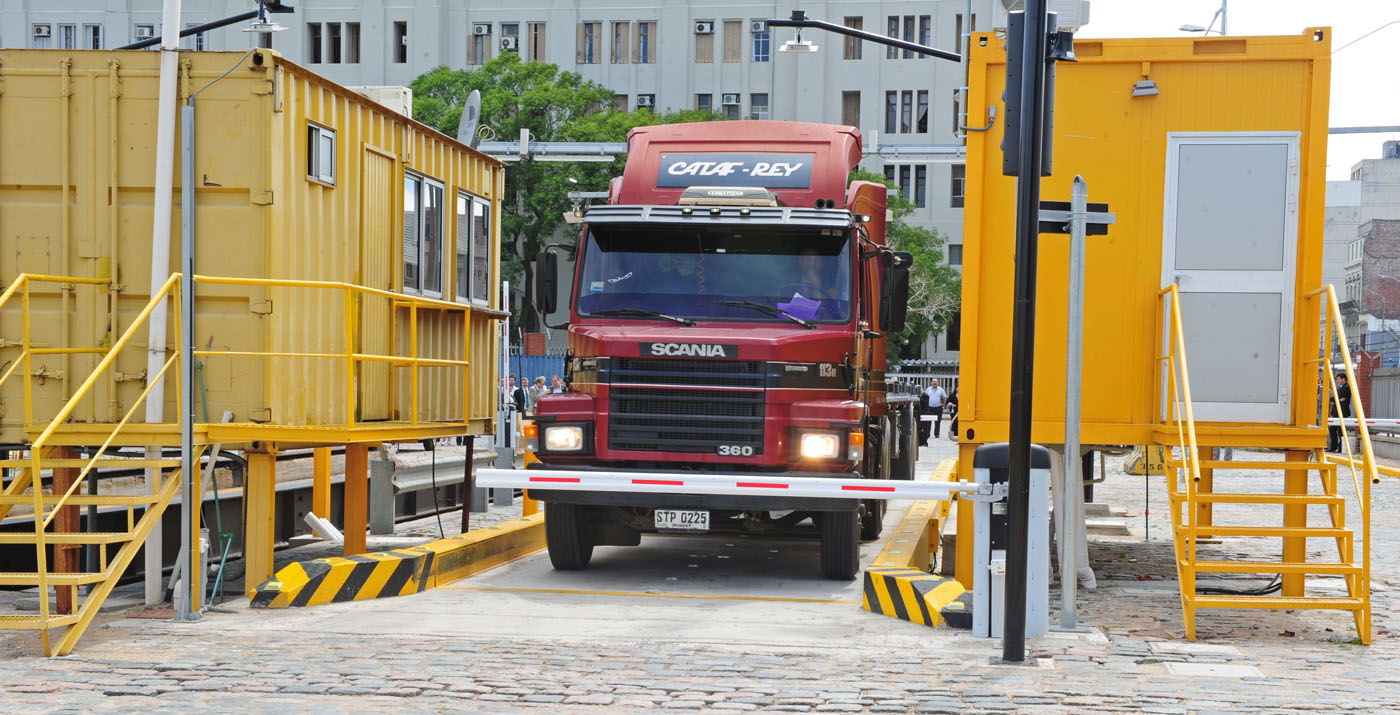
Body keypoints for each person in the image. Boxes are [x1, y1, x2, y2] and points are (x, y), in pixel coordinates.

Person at [1329, 372, 1353, 453]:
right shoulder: (1339, 388)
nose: (1337, 381)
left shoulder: (1346, 387)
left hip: (1342, 412)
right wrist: (1337, 399)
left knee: (1340, 431)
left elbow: (1336, 397)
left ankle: (1340, 448)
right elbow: (1335, 398)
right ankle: (1333, 447)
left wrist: (1336, 398)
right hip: (1335, 412)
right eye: (1337, 379)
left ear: (1343, 379)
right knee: (1332, 430)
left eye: (1339, 379)